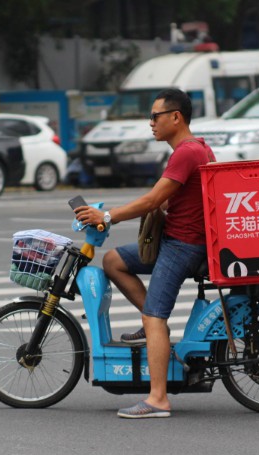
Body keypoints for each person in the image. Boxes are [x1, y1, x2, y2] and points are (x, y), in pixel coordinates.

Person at [73, 88, 215, 418]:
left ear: (175, 117)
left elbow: (152, 201)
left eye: (155, 116)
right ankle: (155, 329)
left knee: (155, 316)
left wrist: (107, 216)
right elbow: (166, 198)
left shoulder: (187, 152)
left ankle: (158, 399)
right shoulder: (195, 149)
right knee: (112, 261)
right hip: (175, 240)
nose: (150, 123)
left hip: (183, 246)